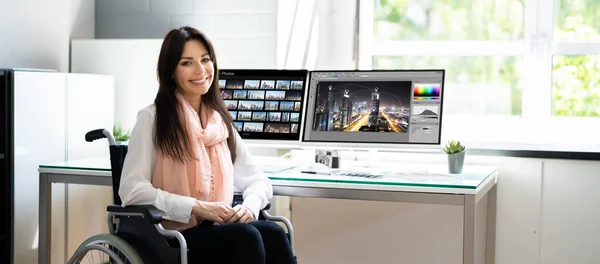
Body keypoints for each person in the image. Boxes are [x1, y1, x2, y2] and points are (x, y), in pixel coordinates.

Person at [118, 26, 296, 264]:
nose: (201, 70)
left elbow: (258, 180)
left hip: (215, 229)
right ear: (170, 70)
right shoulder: (153, 119)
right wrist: (197, 207)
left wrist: (249, 208)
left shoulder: (219, 123)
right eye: (187, 63)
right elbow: (132, 190)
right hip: (171, 236)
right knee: (247, 236)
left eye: (205, 60)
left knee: (273, 233)